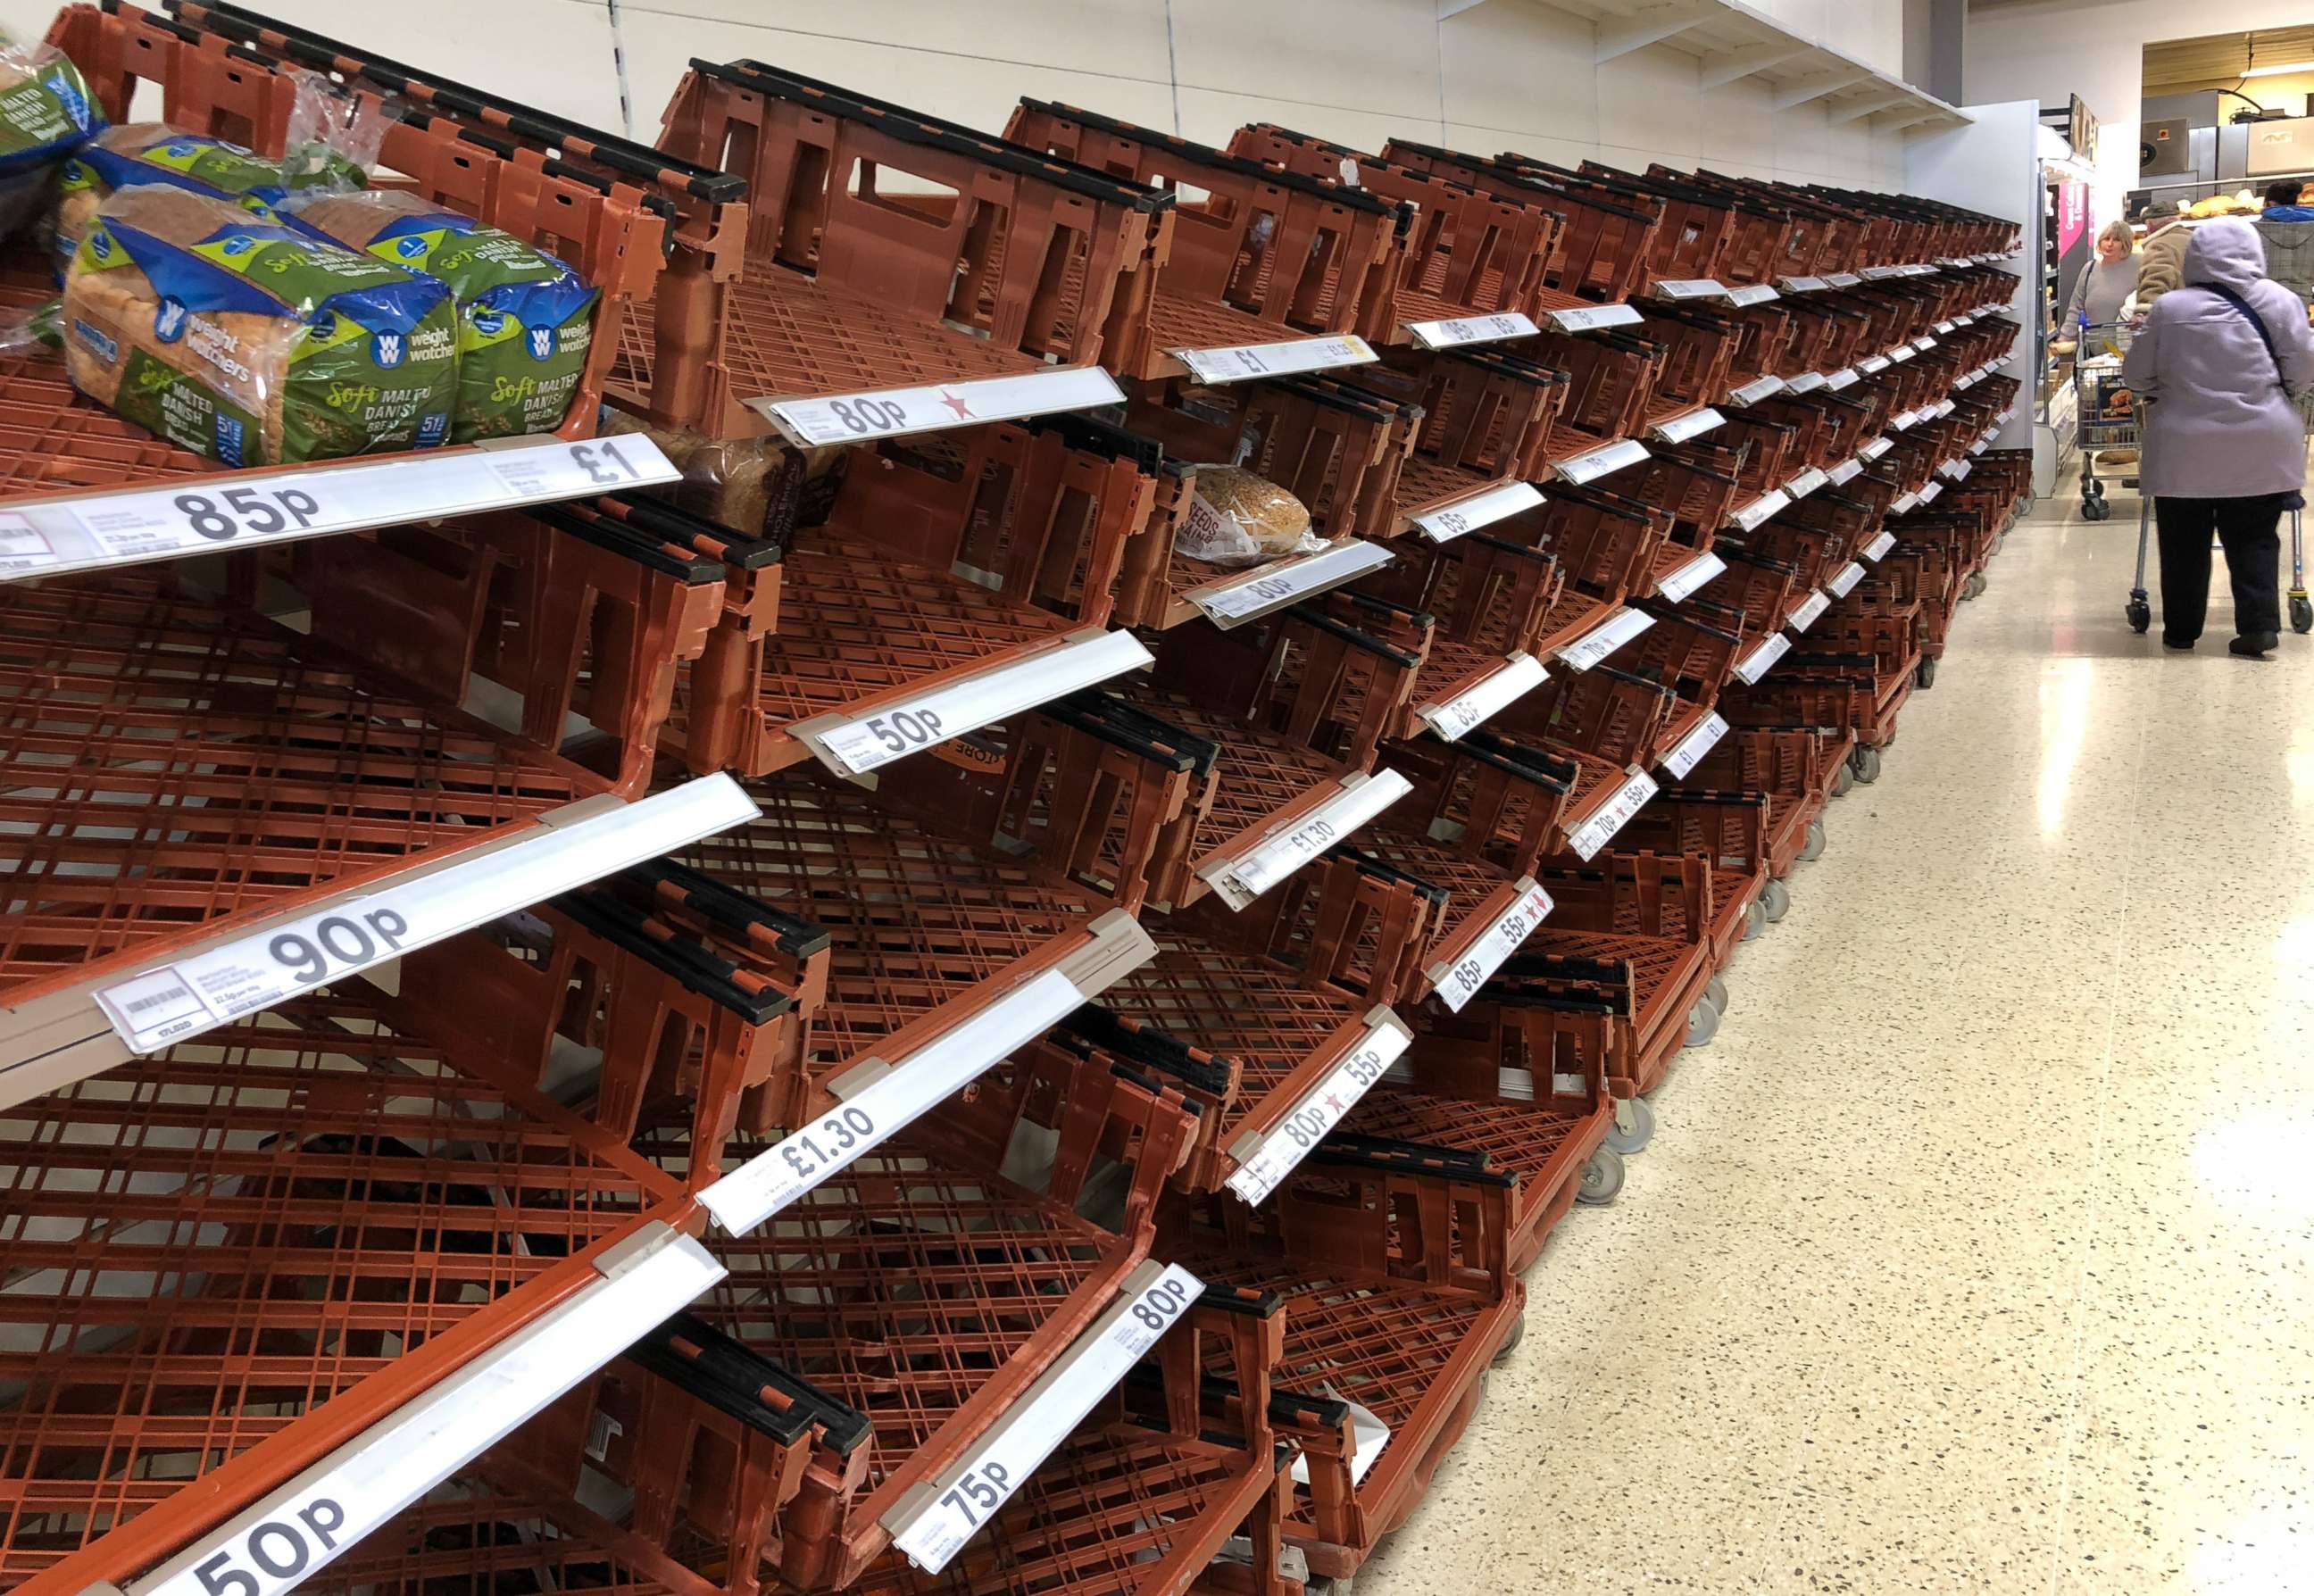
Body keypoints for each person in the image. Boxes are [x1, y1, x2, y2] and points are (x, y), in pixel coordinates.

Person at [2121, 218, 2314, 657]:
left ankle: (2182, 630)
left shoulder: (2170, 308)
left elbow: (2135, 374)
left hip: (2183, 448)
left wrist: (2163, 388)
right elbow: (2304, 368)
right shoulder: (2281, 301)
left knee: (2183, 543)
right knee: (2255, 539)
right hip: (2262, 445)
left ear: (2195, 256)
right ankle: (2259, 627)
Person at [2060, 220, 2140, 329]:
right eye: (2106, 239)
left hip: (2126, 341)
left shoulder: (2139, 265)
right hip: (2093, 341)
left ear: (2125, 244)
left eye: (2116, 240)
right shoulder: (2090, 269)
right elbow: (2076, 308)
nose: (2110, 244)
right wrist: (2066, 336)